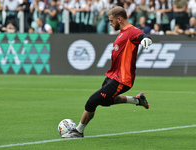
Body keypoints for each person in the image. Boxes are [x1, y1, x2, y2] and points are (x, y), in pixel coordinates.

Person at [62, 6, 152, 138]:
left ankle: (78, 131)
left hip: (122, 79)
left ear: (120, 19)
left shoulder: (132, 31)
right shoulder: (122, 31)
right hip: (112, 75)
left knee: (92, 101)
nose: (110, 23)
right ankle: (137, 100)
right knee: (103, 101)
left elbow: (142, 36)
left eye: (111, 21)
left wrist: (146, 39)